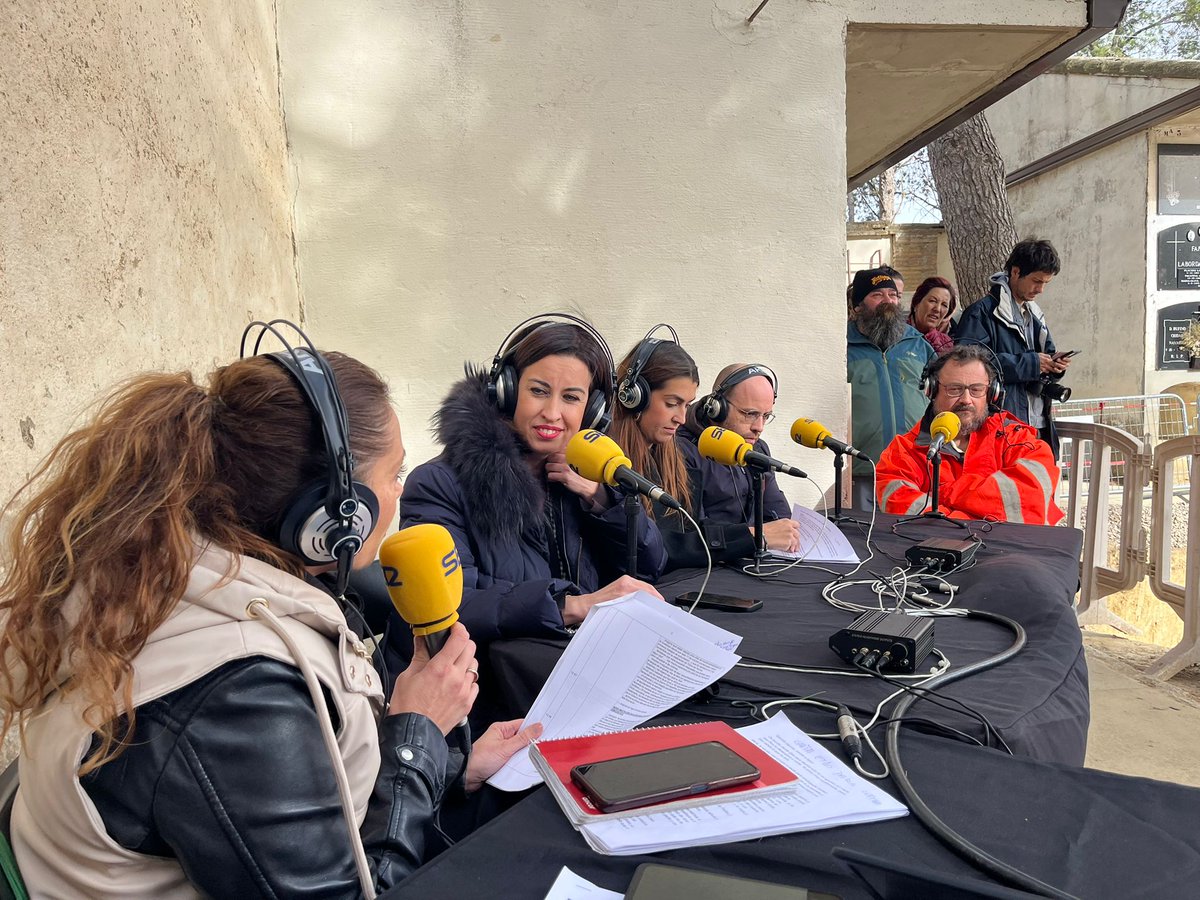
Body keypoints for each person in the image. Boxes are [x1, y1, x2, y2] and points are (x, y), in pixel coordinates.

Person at [0, 329, 538, 898]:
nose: (401, 491)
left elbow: (299, 792)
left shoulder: (176, 567)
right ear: (337, 513)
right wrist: (417, 736)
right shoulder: (240, 694)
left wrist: (449, 767)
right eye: (393, 474)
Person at [393, 316, 667, 651]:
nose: (552, 412)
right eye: (538, 391)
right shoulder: (437, 484)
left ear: (593, 411)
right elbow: (450, 604)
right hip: (485, 674)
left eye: (571, 398)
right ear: (507, 391)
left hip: (575, 659)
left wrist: (599, 498)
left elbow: (650, 566)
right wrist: (573, 605)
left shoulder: (587, 476)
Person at [609, 328, 758, 569]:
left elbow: (690, 529)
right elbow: (658, 547)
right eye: (672, 403)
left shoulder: (671, 454)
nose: (681, 418)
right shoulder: (607, 462)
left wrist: (753, 533)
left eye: (687, 405)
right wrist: (748, 536)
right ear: (633, 397)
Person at [875, 344, 1064, 524]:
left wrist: (943, 494)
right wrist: (982, 516)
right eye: (954, 389)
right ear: (931, 390)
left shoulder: (1018, 439)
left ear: (992, 393)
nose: (966, 399)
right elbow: (902, 512)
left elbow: (1029, 501)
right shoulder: (903, 451)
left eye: (976, 390)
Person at [955, 238, 1071, 458]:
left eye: (1045, 283)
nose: (1041, 289)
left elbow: (1045, 355)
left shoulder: (1035, 315)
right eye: (1036, 281)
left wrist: (1055, 365)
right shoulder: (980, 313)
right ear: (1015, 272)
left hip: (1038, 425)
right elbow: (968, 367)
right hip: (1000, 429)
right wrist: (1032, 363)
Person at [680, 364, 801, 553]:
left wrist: (786, 532)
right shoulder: (681, 451)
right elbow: (691, 532)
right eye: (750, 414)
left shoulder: (757, 448)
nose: (759, 427)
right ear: (716, 408)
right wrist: (756, 536)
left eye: (766, 416)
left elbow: (778, 513)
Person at [846, 266, 936, 509]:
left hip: (915, 468)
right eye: (877, 295)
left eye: (893, 295)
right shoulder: (843, 348)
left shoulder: (919, 345)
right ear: (857, 306)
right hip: (863, 469)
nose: (888, 301)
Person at [908, 276, 958, 354]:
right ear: (917, 303)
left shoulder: (946, 344)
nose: (937, 309)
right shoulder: (896, 334)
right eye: (932, 301)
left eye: (944, 305)